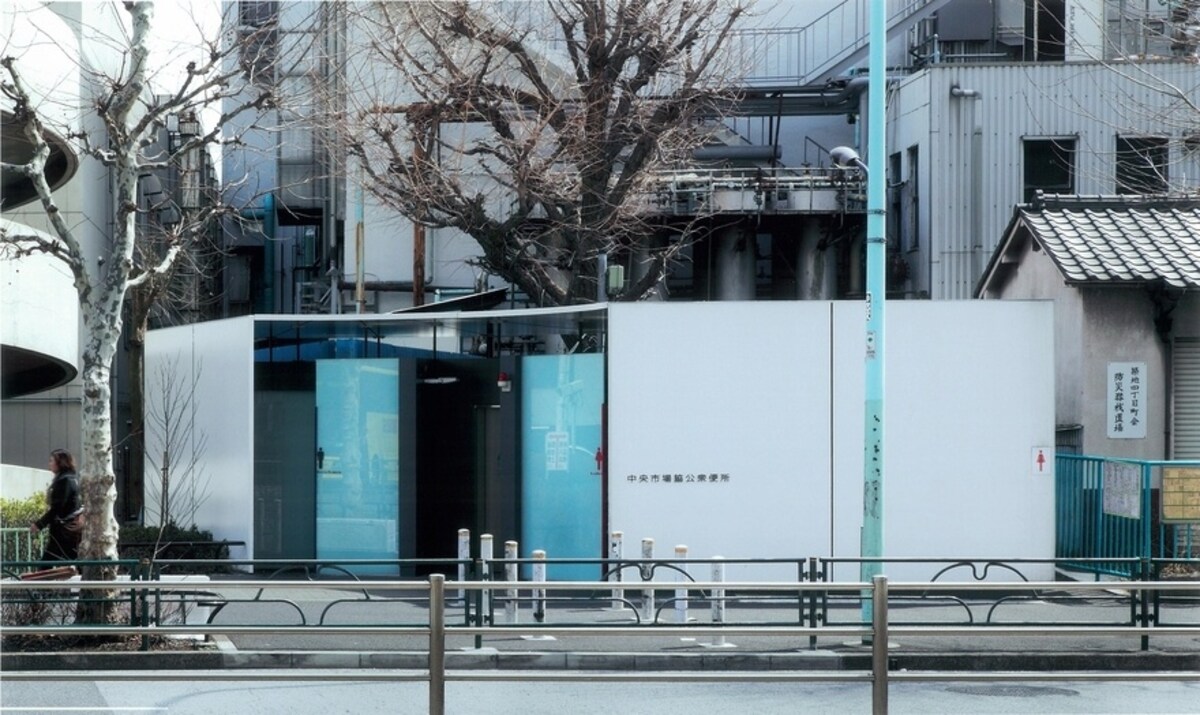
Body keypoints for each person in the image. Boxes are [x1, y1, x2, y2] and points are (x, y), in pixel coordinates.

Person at [30, 449, 83, 561]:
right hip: (67, 529)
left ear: (60, 462)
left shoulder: (64, 481)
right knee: (72, 560)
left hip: (63, 531)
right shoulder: (70, 479)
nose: (49, 464)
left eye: (51, 461)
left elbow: (57, 508)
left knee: (47, 564)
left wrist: (39, 524)